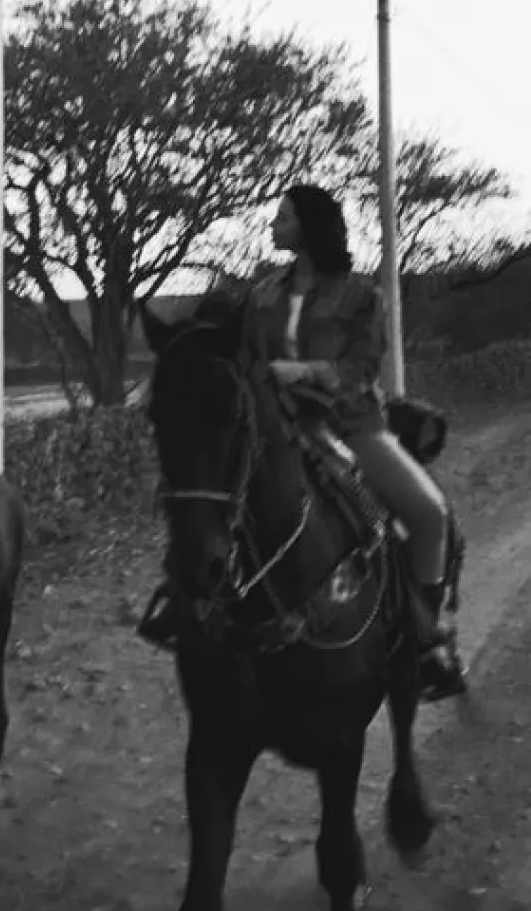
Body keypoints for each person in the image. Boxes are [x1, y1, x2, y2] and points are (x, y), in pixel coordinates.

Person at [141, 184, 467, 699]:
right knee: (211, 499)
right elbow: (233, 354)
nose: (273, 225)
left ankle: (426, 636)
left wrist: (302, 371)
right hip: (277, 426)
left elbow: (361, 369)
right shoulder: (261, 294)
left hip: (350, 426)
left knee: (429, 512)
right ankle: (185, 602)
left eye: (283, 218)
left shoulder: (362, 296)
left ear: (309, 227)